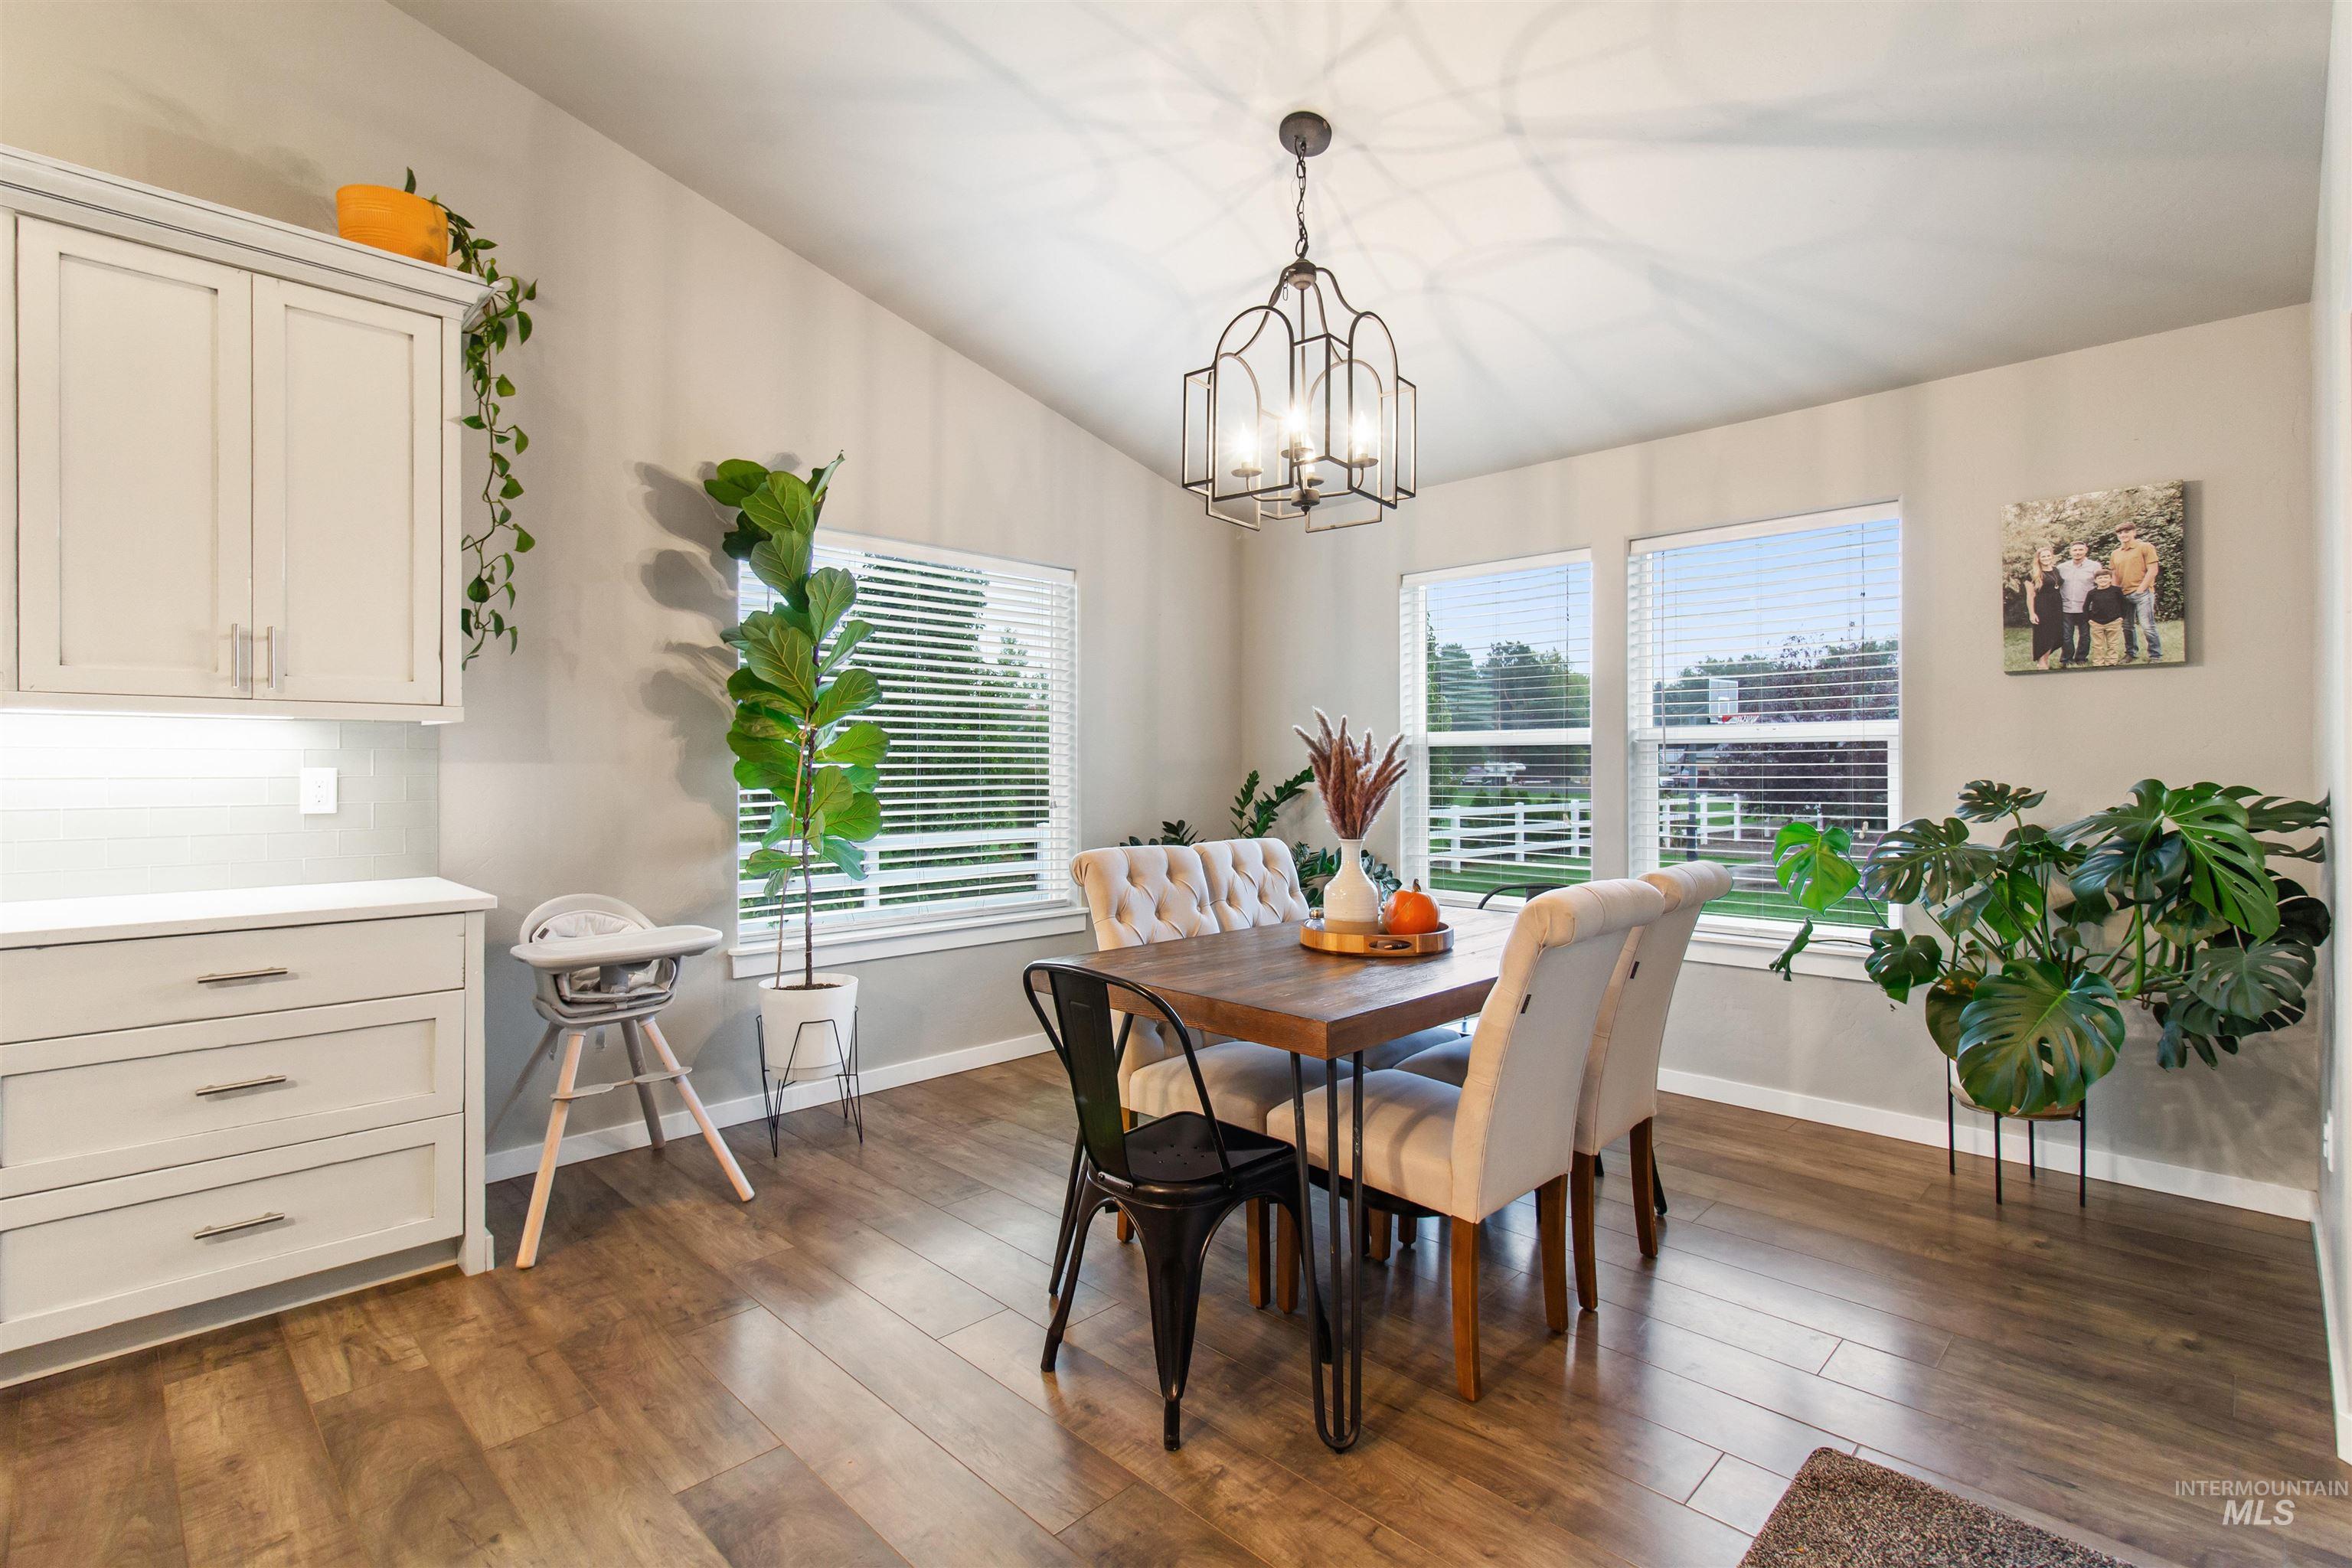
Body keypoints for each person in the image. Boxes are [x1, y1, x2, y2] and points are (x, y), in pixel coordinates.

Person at [2107, 518, 2162, 663]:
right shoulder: (2115, 553)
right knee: (2127, 627)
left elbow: (2153, 570)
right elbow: (2115, 575)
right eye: (2120, 533)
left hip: (2142, 594)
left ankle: (2155, 655)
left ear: (2134, 533)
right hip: (2123, 595)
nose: (2123, 535)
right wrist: (2115, 594)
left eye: (2127, 532)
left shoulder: (2145, 547)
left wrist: (2141, 589)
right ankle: (2131, 653)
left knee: (2147, 625)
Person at [2056, 541, 2101, 668]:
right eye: (2075, 550)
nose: (2078, 552)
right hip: (2066, 606)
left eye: (2081, 550)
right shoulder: (2062, 568)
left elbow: (2100, 585)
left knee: (2085, 635)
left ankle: (2081, 658)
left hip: (2086, 607)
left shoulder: (2095, 566)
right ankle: (2066, 659)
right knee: (2066, 636)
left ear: (2086, 551)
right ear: (2070, 552)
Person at [2023, 545, 2063, 671]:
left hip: (2056, 606)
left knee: (2056, 634)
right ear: (2039, 559)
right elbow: (2030, 595)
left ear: (2052, 556)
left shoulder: (2056, 570)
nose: (2046, 558)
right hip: (2042, 607)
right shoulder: (2032, 574)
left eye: (2048, 556)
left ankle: (2046, 659)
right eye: (2043, 556)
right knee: (2044, 635)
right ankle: (2042, 663)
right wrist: (2032, 613)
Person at [2085, 568, 2128, 668]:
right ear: (2095, 580)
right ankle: (2098, 662)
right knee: (2097, 645)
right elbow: (2085, 607)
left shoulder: (2116, 590)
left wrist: (2122, 617)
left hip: (2113, 621)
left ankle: (2111, 661)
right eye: (2100, 578)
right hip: (2096, 623)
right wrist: (2089, 619)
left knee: (2112, 643)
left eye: (2106, 577)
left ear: (2111, 579)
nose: (2103, 580)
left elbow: (2124, 604)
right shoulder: (2092, 593)